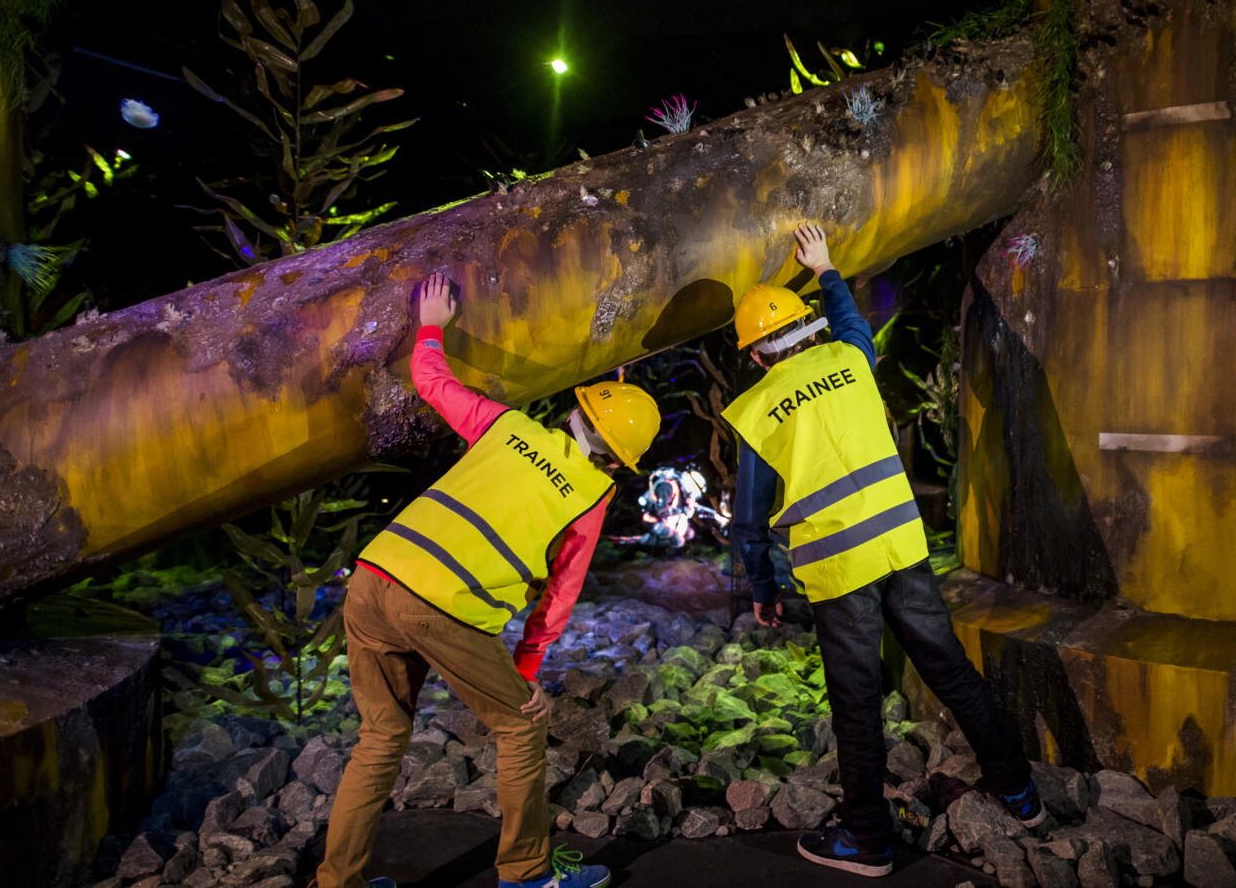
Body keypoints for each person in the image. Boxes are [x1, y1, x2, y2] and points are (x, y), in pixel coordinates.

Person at [313, 273, 660, 888]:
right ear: (617, 462)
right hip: (442, 607)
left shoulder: (510, 428)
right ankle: (527, 876)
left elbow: (432, 382)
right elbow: (559, 598)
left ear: (578, 415)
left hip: (374, 576)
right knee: (523, 724)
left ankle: (337, 882)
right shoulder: (591, 493)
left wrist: (429, 327)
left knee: (380, 736)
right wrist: (525, 672)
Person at [722, 224, 1044, 878]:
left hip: (841, 573)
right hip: (902, 550)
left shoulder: (756, 410)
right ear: (806, 330)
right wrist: (826, 267)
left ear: (756, 355)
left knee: (858, 705)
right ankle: (1021, 792)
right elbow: (850, 318)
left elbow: (749, 522)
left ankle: (867, 839)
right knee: (950, 671)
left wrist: (762, 590)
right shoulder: (849, 358)